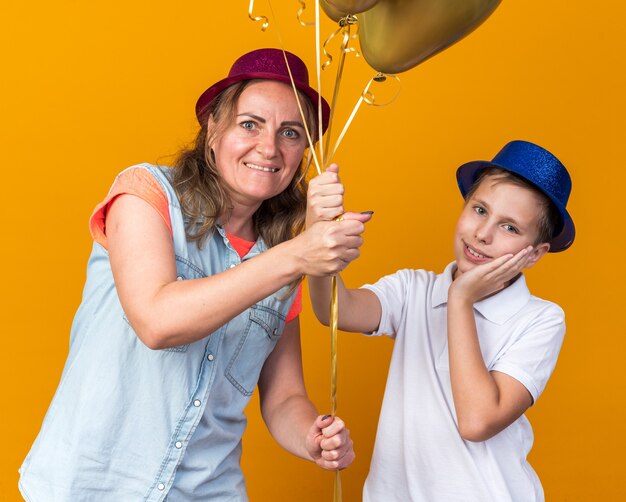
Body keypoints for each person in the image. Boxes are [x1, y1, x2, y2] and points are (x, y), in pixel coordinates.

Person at [19, 48, 370, 501]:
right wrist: (298, 255)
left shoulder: (282, 258)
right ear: (213, 131)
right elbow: (157, 321)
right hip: (91, 488)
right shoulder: (145, 194)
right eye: (250, 124)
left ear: (303, 152)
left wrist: (312, 437)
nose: (269, 147)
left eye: (291, 133)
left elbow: (284, 399)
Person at [307, 140, 575, 501]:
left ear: (535, 253)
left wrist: (460, 299)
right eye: (479, 209)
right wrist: (314, 238)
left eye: (510, 228)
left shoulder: (540, 319)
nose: (483, 233)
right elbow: (334, 310)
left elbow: (477, 421)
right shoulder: (413, 289)